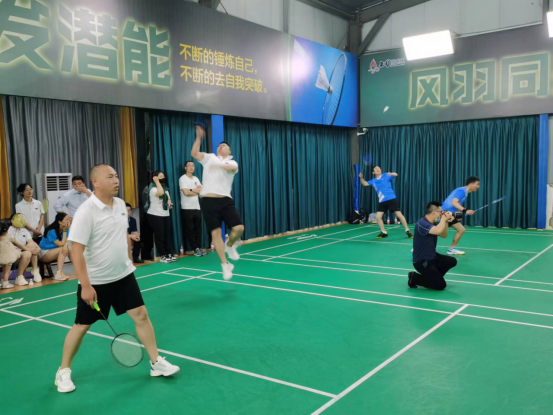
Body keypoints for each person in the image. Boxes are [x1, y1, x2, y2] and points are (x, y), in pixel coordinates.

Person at [55, 164, 180, 393]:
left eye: (116, 176)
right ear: (95, 182)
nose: (116, 180)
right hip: (96, 281)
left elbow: (122, 236)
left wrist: (129, 261)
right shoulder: (86, 211)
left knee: (141, 315)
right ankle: (63, 371)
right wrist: (85, 286)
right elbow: (76, 251)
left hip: (123, 276)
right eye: (110, 177)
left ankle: (155, 362)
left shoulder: (121, 205)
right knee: (82, 326)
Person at [191, 123, 244, 281]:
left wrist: (218, 162)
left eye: (224, 146)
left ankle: (230, 245)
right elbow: (194, 153)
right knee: (215, 233)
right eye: (219, 145)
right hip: (207, 201)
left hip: (225, 200)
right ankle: (225, 264)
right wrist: (198, 138)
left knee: (239, 228)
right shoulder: (209, 158)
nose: (221, 146)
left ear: (229, 151)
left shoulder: (233, 163)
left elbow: (229, 168)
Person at [408, 201, 457, 290]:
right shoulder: (422, 223)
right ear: (434, 213)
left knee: (452, 261)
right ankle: (414, 278)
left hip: (433, 257)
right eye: (440, 212)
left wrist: (446, 222)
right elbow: (438, 231)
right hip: (422, 261)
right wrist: (443, 219)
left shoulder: (433, 223)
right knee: (441, 285)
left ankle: (432, 279)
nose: (442, 213)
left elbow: (444, 235)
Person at [359, 167, 413, 239]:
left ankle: (407, 230)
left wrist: (391, 173)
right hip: (382, 201)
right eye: (376, 169)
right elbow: (365, 183)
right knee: (378, 217)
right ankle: (383, 232)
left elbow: (396, 174)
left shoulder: (386, 175)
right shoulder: (374, 181)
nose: (378, 169)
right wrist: (361, 178)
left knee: (398, 214)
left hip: (391, 199)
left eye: (379, 168)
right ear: (373, 172)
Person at [441, 176, 480, 255]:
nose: (478, 186)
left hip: (450, 214)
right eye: (477, 184)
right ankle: (420, 247)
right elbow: (454, 203)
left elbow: (457, 205)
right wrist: (465, 211)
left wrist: (459, 214)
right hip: (445, 214)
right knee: (436, 233)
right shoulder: (461, 191)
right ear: (471, 184)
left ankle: (451, 249)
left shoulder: (465, 192)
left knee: (461, 229)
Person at [144, 171, 176, 264]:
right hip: (155, 214)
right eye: (160, 176)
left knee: (167, 236)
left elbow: (168, 200)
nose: (163, 177)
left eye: (163, 176)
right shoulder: (153, 188)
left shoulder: (165, 188)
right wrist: (157, 182)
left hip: (165, 214)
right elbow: (160, 193)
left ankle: (169, 253)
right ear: (155, 178)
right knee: (160, 236)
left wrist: (169, 205)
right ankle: (162, 255)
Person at [179, 161, 205, 257]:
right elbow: (186, 193)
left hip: (197, 207)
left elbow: (201, 190)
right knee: (190, 229)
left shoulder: (196, 178)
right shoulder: (183, 178)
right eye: (189, 166)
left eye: (193, 166)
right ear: (185, 168)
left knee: (198, 229)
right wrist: (194, 190)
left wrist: (191, 190)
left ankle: (199, 247)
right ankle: (195, 249)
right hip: (187, 208)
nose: (191, 167)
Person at [8, 213, 42, 285]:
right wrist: (28, 249)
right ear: (12, 220)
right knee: (28, 252)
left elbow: (30, 241)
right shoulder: (9, 230)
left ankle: (34, 270)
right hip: (12, 253)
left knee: (30, 247)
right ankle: (20, 276)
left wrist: (38, 248)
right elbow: (18, 244)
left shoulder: (24, 230)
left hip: (24, 252)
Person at [38, 212, 72, 281]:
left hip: (54, 251)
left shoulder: (66, 228)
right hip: (43, 253)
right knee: (62, 249)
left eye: (69, 220)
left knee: (69, 248)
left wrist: (66, 246)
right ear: (60, 222)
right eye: (66, 220)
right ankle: (58, 274)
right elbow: (61, 244)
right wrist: (64, 232)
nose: (68, 222)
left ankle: (79, 268)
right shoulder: (51, 231)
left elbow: (66, 241)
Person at [0, 219, 21, 289]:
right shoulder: (8, 237)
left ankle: (2, 282)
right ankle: (5, 283)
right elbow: (18, 244)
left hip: (1, 257)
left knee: (4, 271)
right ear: (6, 231)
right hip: (8, 257)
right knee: (7, 271)